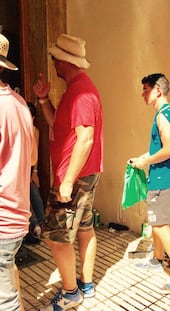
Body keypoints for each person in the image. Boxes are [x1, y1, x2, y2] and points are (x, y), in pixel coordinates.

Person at [32, 34, 103, 310]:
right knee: (85, 228)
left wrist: (67, 182)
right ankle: (86, 285)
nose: (53, 64)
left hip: (74, 178)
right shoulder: (77, 89)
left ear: (63, 61)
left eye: (54, 58)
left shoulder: (82, 93)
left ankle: (71, 292)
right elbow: (57, 125)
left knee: (56, 238)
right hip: (85, 175)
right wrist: (43, 99)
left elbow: (85, 139)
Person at [128, 73, 170, 294]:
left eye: (146, 89)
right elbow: (160, 148)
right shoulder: (169, 113)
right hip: (164, 177)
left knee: (160, 225)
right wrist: (142, 158)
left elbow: (169, 149)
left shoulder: (162, 116)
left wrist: (146, 160)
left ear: (157, 90)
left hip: (162, 179)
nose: (143, 94)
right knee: (156, 222)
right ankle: (156, 260)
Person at [0, 33, 34, 311]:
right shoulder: (19, 103)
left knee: (5, 301)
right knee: (8, 278)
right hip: (16, 215)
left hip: (2, 219)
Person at [23, 102, 45, 245]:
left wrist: (34, 172)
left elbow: (34, 155)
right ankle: (35, 226)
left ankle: (42, 225)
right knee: (26, 200)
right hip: (19, 170)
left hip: (28, 169)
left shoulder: (34, 130)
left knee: (34, 196)